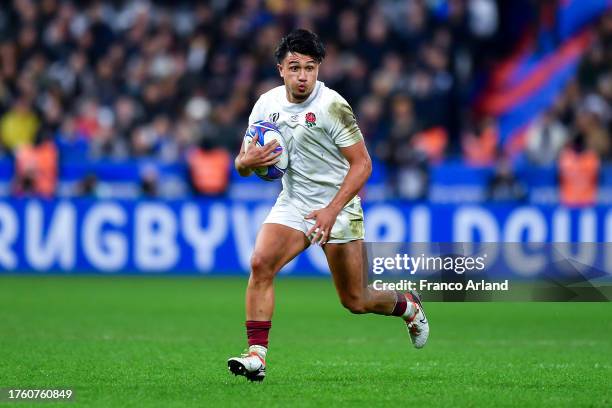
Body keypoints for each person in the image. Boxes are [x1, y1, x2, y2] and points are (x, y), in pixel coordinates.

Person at [227, 29, 429, 382]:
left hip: (340, 204)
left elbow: (363, 164)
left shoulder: (332, 106)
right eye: (294, 68)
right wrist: (246, 163)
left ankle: (407, 304)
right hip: (293, 201)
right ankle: (256, 355)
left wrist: (332, 210)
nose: (302, 76)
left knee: (355, 300)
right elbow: (243, 165)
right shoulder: (265, 105)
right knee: (260, 264)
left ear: (319, 67)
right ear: (280, 69)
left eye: (310, 67)